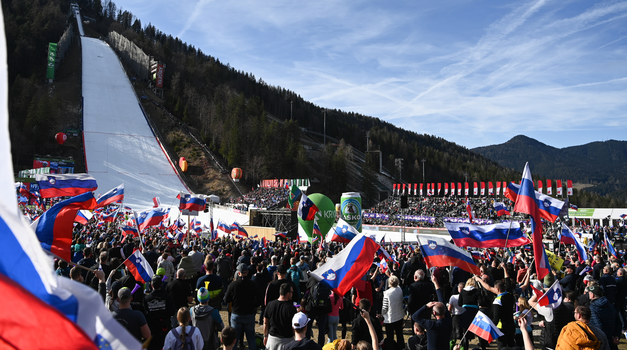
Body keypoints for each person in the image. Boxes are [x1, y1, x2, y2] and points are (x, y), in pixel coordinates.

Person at [224, 263, 262, 350]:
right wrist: (254, 306)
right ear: (247, 272)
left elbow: (226, 300)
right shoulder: (252, 284)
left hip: (236, 314)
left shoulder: (233, 285)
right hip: (249, 314)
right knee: (251, 338)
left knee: (235, 339)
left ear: (239, 273)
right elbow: (259, 299)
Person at [144, 276, 175, 350]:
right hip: (165, 328)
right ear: (161, 284)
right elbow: (172, 312)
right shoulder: (167, 297)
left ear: (151, 285)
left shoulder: (146, 299)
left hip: (152, 330)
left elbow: (145, 313)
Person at [264, 283, 297, 350]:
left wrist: (265, 336)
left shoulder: (270, 304)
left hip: (272, 340)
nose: (292, 294)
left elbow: (265, 322)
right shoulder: (291, 309)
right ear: (288, 293)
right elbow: (294, 327)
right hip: (287, 341)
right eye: (292, 292)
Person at [588, 284, 621, 350]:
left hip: (602, 341)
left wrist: (610, 338)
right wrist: (616, 336)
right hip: (612, 338)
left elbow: (598, 326)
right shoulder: (610, 305)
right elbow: (618, 322)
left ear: (592, 295)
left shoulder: (593, 308)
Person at [381, 275, 404, 350]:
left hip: (390, 318)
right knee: (399, 334)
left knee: (390, 336)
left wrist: (381, 315)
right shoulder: (400, 289)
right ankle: (401, 347)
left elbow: (384, 308)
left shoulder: (387, 293)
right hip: (399, 315)